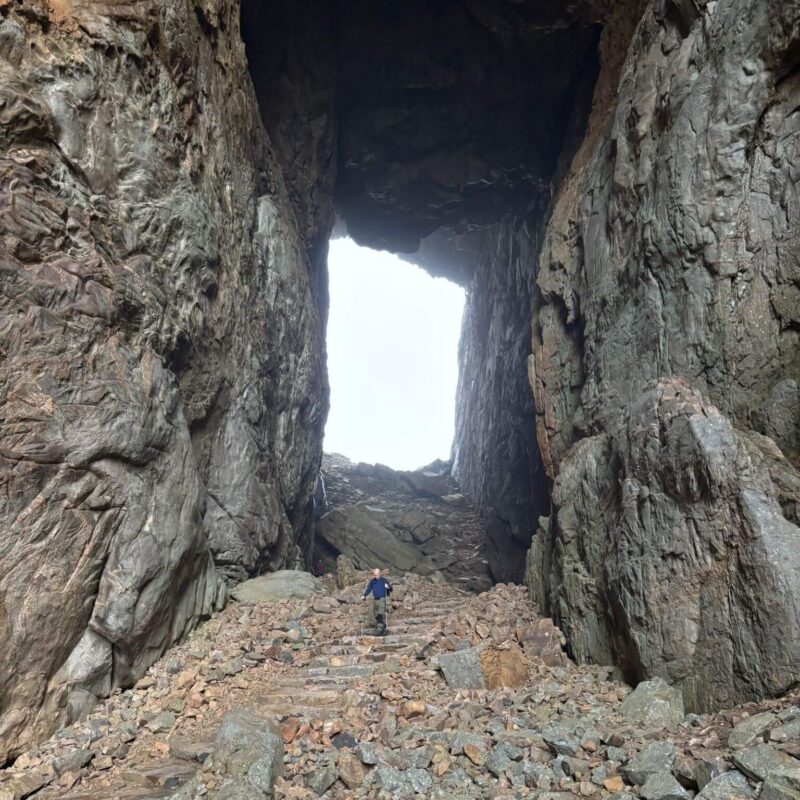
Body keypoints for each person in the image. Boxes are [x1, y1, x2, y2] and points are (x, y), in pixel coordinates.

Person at [361, 568, 393, 635]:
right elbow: (369, 589)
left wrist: (388, 587)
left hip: (382, 599)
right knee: (375, 614)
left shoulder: (384, 580)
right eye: (374, 575)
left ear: (379, 574)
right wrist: (364, 595)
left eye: (377, 575)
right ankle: (382, 625)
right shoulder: (372, 581)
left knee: (380, 613)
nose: (375, 576)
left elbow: (391, 589)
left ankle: (379, 630)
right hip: (375, 599)